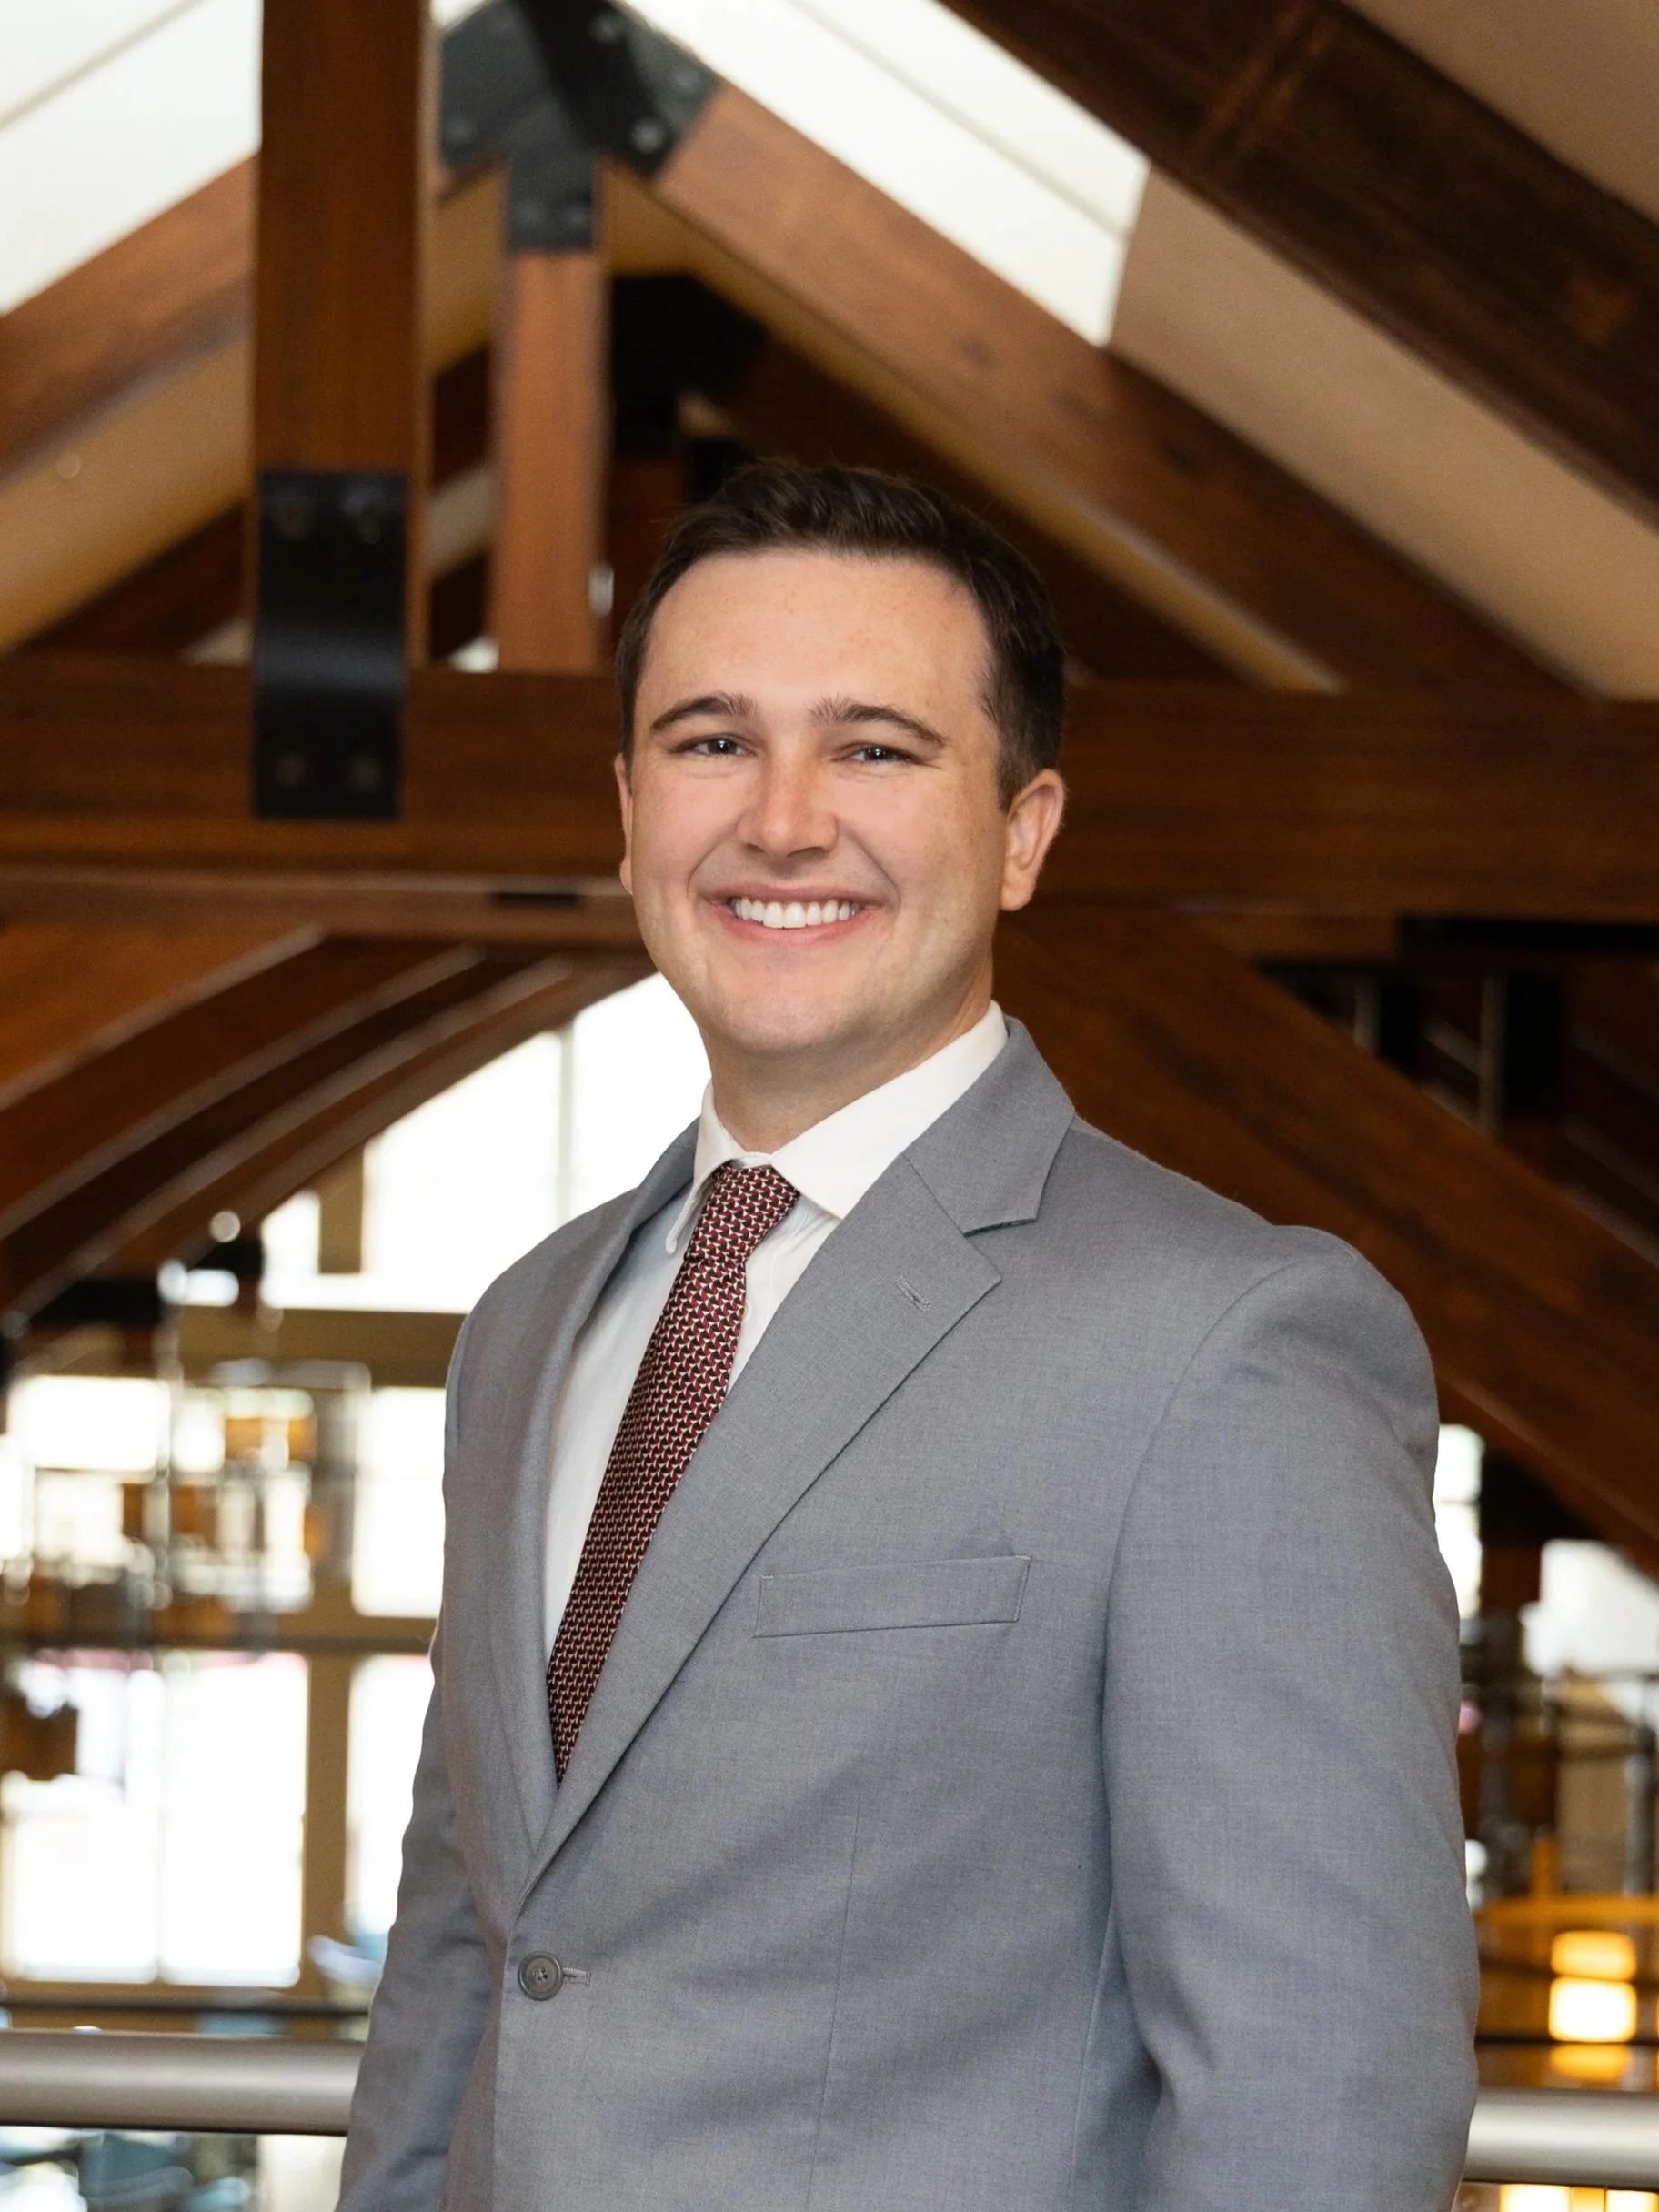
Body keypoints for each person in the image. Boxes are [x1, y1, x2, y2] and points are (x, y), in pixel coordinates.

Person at [338, 462, 1475, 2211]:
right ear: (630, 811)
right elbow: (466, 1965)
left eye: (875, 748)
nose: (783, 821)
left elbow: (1316, 2092)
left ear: (1023, 832)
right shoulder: (528, 1325)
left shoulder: (1227, 1343)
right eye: (714, 742)